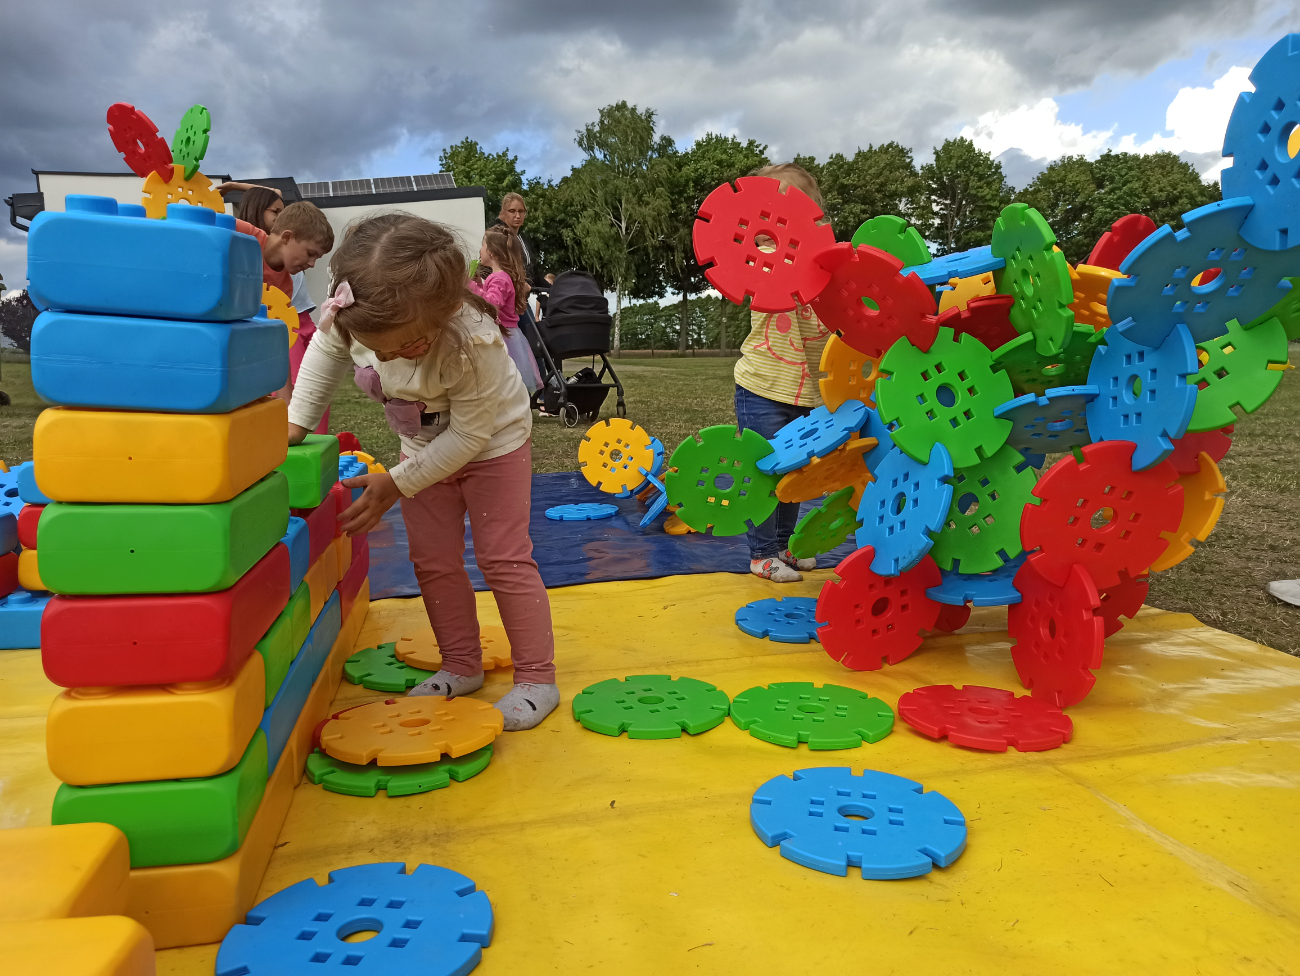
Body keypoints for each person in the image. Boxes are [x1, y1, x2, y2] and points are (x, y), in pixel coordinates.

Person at [285, 213, 559, 731]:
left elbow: (470, 437)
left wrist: (397, 482)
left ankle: (536, 678)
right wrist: (295, 425)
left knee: (503, 558)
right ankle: (461, 663)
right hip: (423, 445)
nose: (391, 356)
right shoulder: (358, 316)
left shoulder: (470, 339)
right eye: (380, 349)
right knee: (433, 560)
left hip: (493, 445)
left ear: (446, 310)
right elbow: (324, 353)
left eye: (409, 346)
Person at [733, 162, 835, 583]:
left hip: (808, 391)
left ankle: (783, 546)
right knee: (765, 470)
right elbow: (762, 266)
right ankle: (761, 554)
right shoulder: (761, 261)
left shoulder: (823, 266)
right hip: (763, 386)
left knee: (795, 472)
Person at [468, 225, 542, 395]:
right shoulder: (499, 277)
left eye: (483, 246)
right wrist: (480, 285)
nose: (480, 250)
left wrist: (470, 286)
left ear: (492, 253)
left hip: (504, 336)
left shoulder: (499, 278)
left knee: (502, 381)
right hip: (508, 334)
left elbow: (493, 304)